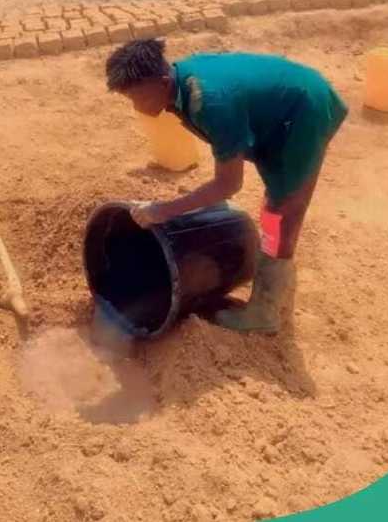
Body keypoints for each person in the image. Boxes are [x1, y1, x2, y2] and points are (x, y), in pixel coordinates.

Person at [105, 39, 348, 334]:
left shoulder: (211, 102)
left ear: (162, 81)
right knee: (275, 204)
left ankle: (265, 313)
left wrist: (163, 210)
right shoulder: (180, 85)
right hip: (275, 118)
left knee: (283, 212)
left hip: (302, 112)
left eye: (138, 98)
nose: (136, 107)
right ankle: (277, 282)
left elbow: (229, 183)